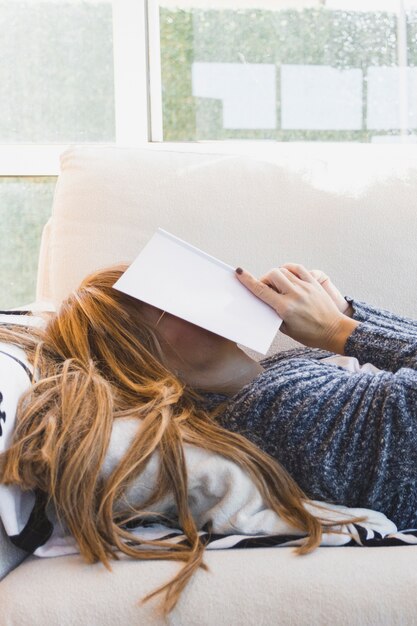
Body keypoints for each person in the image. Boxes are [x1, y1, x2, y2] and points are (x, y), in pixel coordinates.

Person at [0, 261, 414, 614]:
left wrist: (348, 314)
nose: (192, 297)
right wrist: (339, 329)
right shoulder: (276, 411)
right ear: (138, 354)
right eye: (160, 302)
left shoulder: (279, 371)